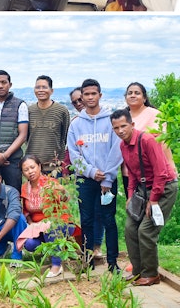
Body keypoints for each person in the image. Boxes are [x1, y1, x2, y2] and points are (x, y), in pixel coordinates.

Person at [111, 109, 178, 286]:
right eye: (116, 128)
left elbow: (162, 173)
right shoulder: (123, 146)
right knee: (130, 228)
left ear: (132, 125)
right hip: (143, 190)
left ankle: (151, 274)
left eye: (124, 126)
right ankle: (138, 271)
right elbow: (132, 173)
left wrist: (154, 200)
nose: (120, 131)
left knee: (146, 230)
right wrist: (130, 196)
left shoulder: (147, 140)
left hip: (163, 188)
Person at [67, 78, 122, 271]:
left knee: (109, 220)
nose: (90, 97)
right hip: (86, 180)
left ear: (100, 95)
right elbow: (74, 154)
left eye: (93, 93)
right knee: (87, 220)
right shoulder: (76, 125)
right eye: (86, 94)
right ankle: (88, 260)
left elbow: (117, 149)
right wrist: (90, 171)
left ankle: (113, 262)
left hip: (108, 181)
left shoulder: (111, 120)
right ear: (82, 96)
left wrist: (106, 177)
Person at [17, 155, 74, 278]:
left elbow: (65, 199)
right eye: (26, 170)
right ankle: (55, 250)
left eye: (32, 167)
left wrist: (62, 189)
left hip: (60, 223)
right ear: (22, 173)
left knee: (50, 227)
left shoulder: (51, 183)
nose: (30, 171)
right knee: (30, 244)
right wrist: (32, 224)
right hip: (38, 228)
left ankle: (56, 265)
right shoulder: (24, 188)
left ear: (39, 166)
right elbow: (26, 212)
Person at [26, 75, 70, 175]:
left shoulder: (61, 111)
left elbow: (65, 136)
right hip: (33, 167)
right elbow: (26, 137)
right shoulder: (29, 111)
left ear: (51, 90)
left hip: (55, 166)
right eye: (38, 87)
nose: (41, 90)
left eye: (44, 87)